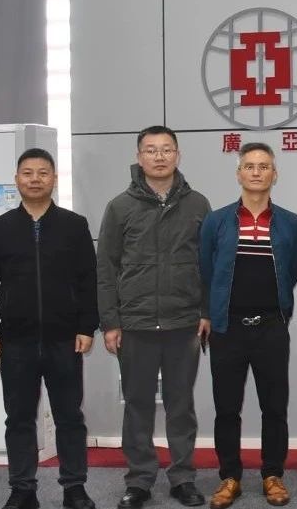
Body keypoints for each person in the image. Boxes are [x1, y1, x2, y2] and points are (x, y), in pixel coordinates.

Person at [0, 148, 98, 509]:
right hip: (16, 341)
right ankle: (22, 489)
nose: (35, 179)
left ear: (54, 179)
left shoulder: (74, 225)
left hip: (65, 339)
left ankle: (74, 487)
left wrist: (87, 326)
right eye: (27, 173)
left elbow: (89, 280)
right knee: (19, 419)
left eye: (43, 173)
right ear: (16, 180)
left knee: (70, 417)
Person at [98, 125, 210, 509]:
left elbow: (209, 265)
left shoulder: (198, 204)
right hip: (136, 324)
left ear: (178, 155)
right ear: (139, 156)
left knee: (181, 406)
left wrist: (206, 312)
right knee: (138, 405)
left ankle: (183, 479)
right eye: (151, 150)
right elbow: (106, 269)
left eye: (166, 149)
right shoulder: (120, 207)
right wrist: (110, 322)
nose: (159, 157)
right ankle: (140, 480)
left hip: (183, 323)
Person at [199, 142, 297, 508]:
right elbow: (207, 271)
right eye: (249, 166)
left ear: (275, 174)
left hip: (271, 327)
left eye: (264, 166)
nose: (256, 172)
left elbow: (291, 271)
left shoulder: (289, 222)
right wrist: (210, 313)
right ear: (239, 173)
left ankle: (273, 475)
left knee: (274, 407)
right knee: (227, 408)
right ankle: (229, 477)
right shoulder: (217, 221)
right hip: (228, 328)